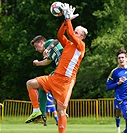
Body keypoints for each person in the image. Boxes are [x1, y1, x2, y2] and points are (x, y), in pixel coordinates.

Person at [25, 3, 88, 133]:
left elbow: (70, 32)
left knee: (61, 111)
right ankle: (37, 111)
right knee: (30, 84)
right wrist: (65, 22)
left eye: (77, 32)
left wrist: (67, 18)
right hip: (55, 77)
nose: (74, 33)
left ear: (81, 36)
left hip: (66, 81)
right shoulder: (70, 44)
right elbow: (60, 36)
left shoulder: (80, 45)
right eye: (74, 31)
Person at [27, 36, 63, 126]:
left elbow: (56, 40)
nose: (36, 49)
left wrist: (47, 49)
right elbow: (47, 61)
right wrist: (38, 63)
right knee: (41, 88)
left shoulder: (49, 43)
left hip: (61, 71)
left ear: (42, 42)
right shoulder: (51, 51)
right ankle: (43, 116)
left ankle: (39, 113)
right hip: (61, 71)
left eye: (36, 46)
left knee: (31, 84)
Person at [106, 48, 127, 133]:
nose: (121, 59)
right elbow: (108, 86)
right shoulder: (115, 72)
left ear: (126, 59)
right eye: (119, 58)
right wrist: (118, 83)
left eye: (122, 57)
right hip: (125, 101)